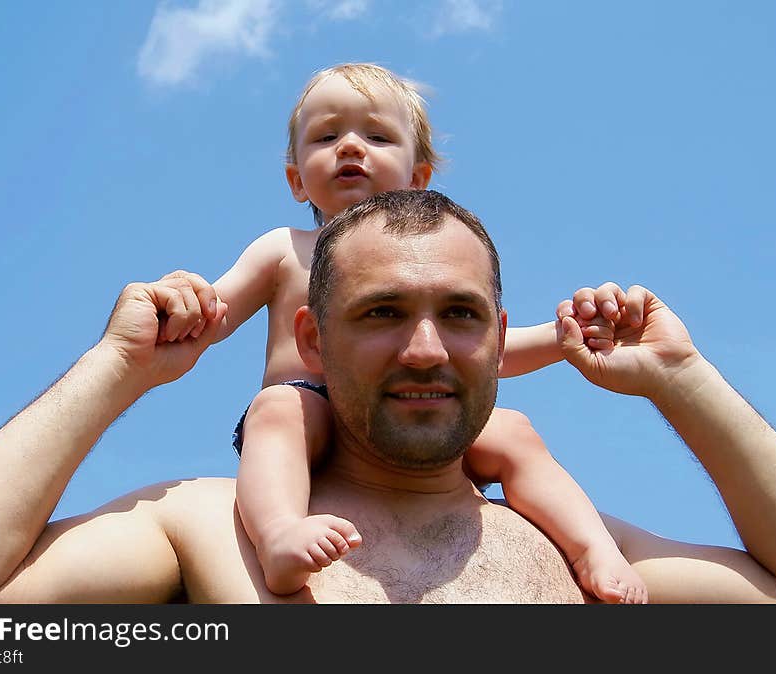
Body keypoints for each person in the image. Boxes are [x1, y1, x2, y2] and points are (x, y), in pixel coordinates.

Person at [0, 188, 776, 604]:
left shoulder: (583, 550)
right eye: (381, 313)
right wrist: (116, 368)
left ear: (497, 335)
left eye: (460, 314)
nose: (424, 349)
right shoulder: (210, 529)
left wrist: (683, 381)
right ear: (311, 343)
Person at [209, 62, 646, 601]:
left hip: (419, 413)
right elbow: (216, 310)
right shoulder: (283, 249)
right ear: (297, 177)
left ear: (418, 177)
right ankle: (277, 535)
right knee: (275, 411)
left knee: (514, 430)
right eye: (326, 136)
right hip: (308, 409)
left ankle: (592, 549)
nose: (350, 146)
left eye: (377, 135)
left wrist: (566, 340)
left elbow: (483, 357)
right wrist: (185, 302)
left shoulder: (437, 259)